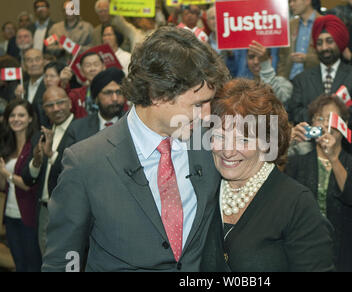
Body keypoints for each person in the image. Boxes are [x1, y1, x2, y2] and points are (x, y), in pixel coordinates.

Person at [42, 26, 230, 272]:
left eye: (209, 103)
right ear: (157, 95)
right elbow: (63, 260)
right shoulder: (85, 163)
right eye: (198, 105)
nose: (207, 116)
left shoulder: (210, 145)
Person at [203, 78, 334, 272]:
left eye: (243, 140)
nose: (227, 151)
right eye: (220, 136)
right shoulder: (202, 192)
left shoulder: (296, 204)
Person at [285, 94, 352, 271]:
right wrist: (285, 143)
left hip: (345, 253)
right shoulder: (296, 163)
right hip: (302, 251)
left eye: (332, 119)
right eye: (319, 118)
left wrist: (333, 158)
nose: (325, 125)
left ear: (343, 126)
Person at [287, 15, 352, 160]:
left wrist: (332, 119)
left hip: (349, 151)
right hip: (309, 151)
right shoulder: (301, 79)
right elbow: (295, 111)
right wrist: (319, 120)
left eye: (329, 41)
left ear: (339, 42)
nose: (324, 47)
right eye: (319, 43)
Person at [21, 86, 75, 255]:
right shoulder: (41, 134)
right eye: (50, 105)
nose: (56, 108)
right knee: (47, 262)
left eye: (60, 103)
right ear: (44, 109)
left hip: (70, 212)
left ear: (70, 103)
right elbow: (28, 179)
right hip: (44, 211)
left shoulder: (82, 130)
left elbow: (76, 170)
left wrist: (51, 154)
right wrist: (36, 162)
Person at [0, 99, 41, 272]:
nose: (16, 119)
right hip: (9, 215)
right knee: (19, 265)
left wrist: (6, 173)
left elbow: (28, 185)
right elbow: (3, 185)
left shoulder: (35, 146)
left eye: (21, 115)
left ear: (30, 118)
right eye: (12, 115)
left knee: (33, 265)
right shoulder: (7, 146)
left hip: (28, 216)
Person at [65, 67, 126, 144]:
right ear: (96, 98)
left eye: (119, 92)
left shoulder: (133, 124)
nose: (115, 98)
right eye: (108, 93)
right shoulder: (77, 129)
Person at [278, 0, 321, 80]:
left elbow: (330, 57)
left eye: (294, 1)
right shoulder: (290, 25)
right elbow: (282, 56)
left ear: (308, 1)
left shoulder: (324, 23)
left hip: (315, 81)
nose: (291, 4)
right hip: (290, 81)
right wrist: (282, 77)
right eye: (289, 2)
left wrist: (306, 59)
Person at [14, 48, 49, 128]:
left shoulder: (50, 84)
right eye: (29, 60)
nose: (34, 63)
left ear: (44, 62)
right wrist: (18, 100)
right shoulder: (21, 87)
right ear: (24, 65)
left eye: (37, 59)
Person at [67, 52, 106, 119]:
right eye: (88, 66)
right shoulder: (76, 94)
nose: (92, 69)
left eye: (96, 64)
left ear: (104, 67)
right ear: (81, 72)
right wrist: (64, 83)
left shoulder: (114, 91)